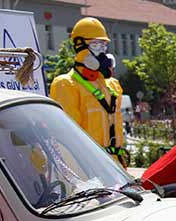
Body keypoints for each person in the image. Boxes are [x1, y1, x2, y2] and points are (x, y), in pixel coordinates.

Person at [50, 17, 128, 167]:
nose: (102, 50)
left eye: (104, 45)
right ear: (80, 47)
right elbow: (67, 137)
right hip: (88, 167)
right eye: (95, 44)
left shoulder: (112, 85)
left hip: (115, 166)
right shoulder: (66, 85)